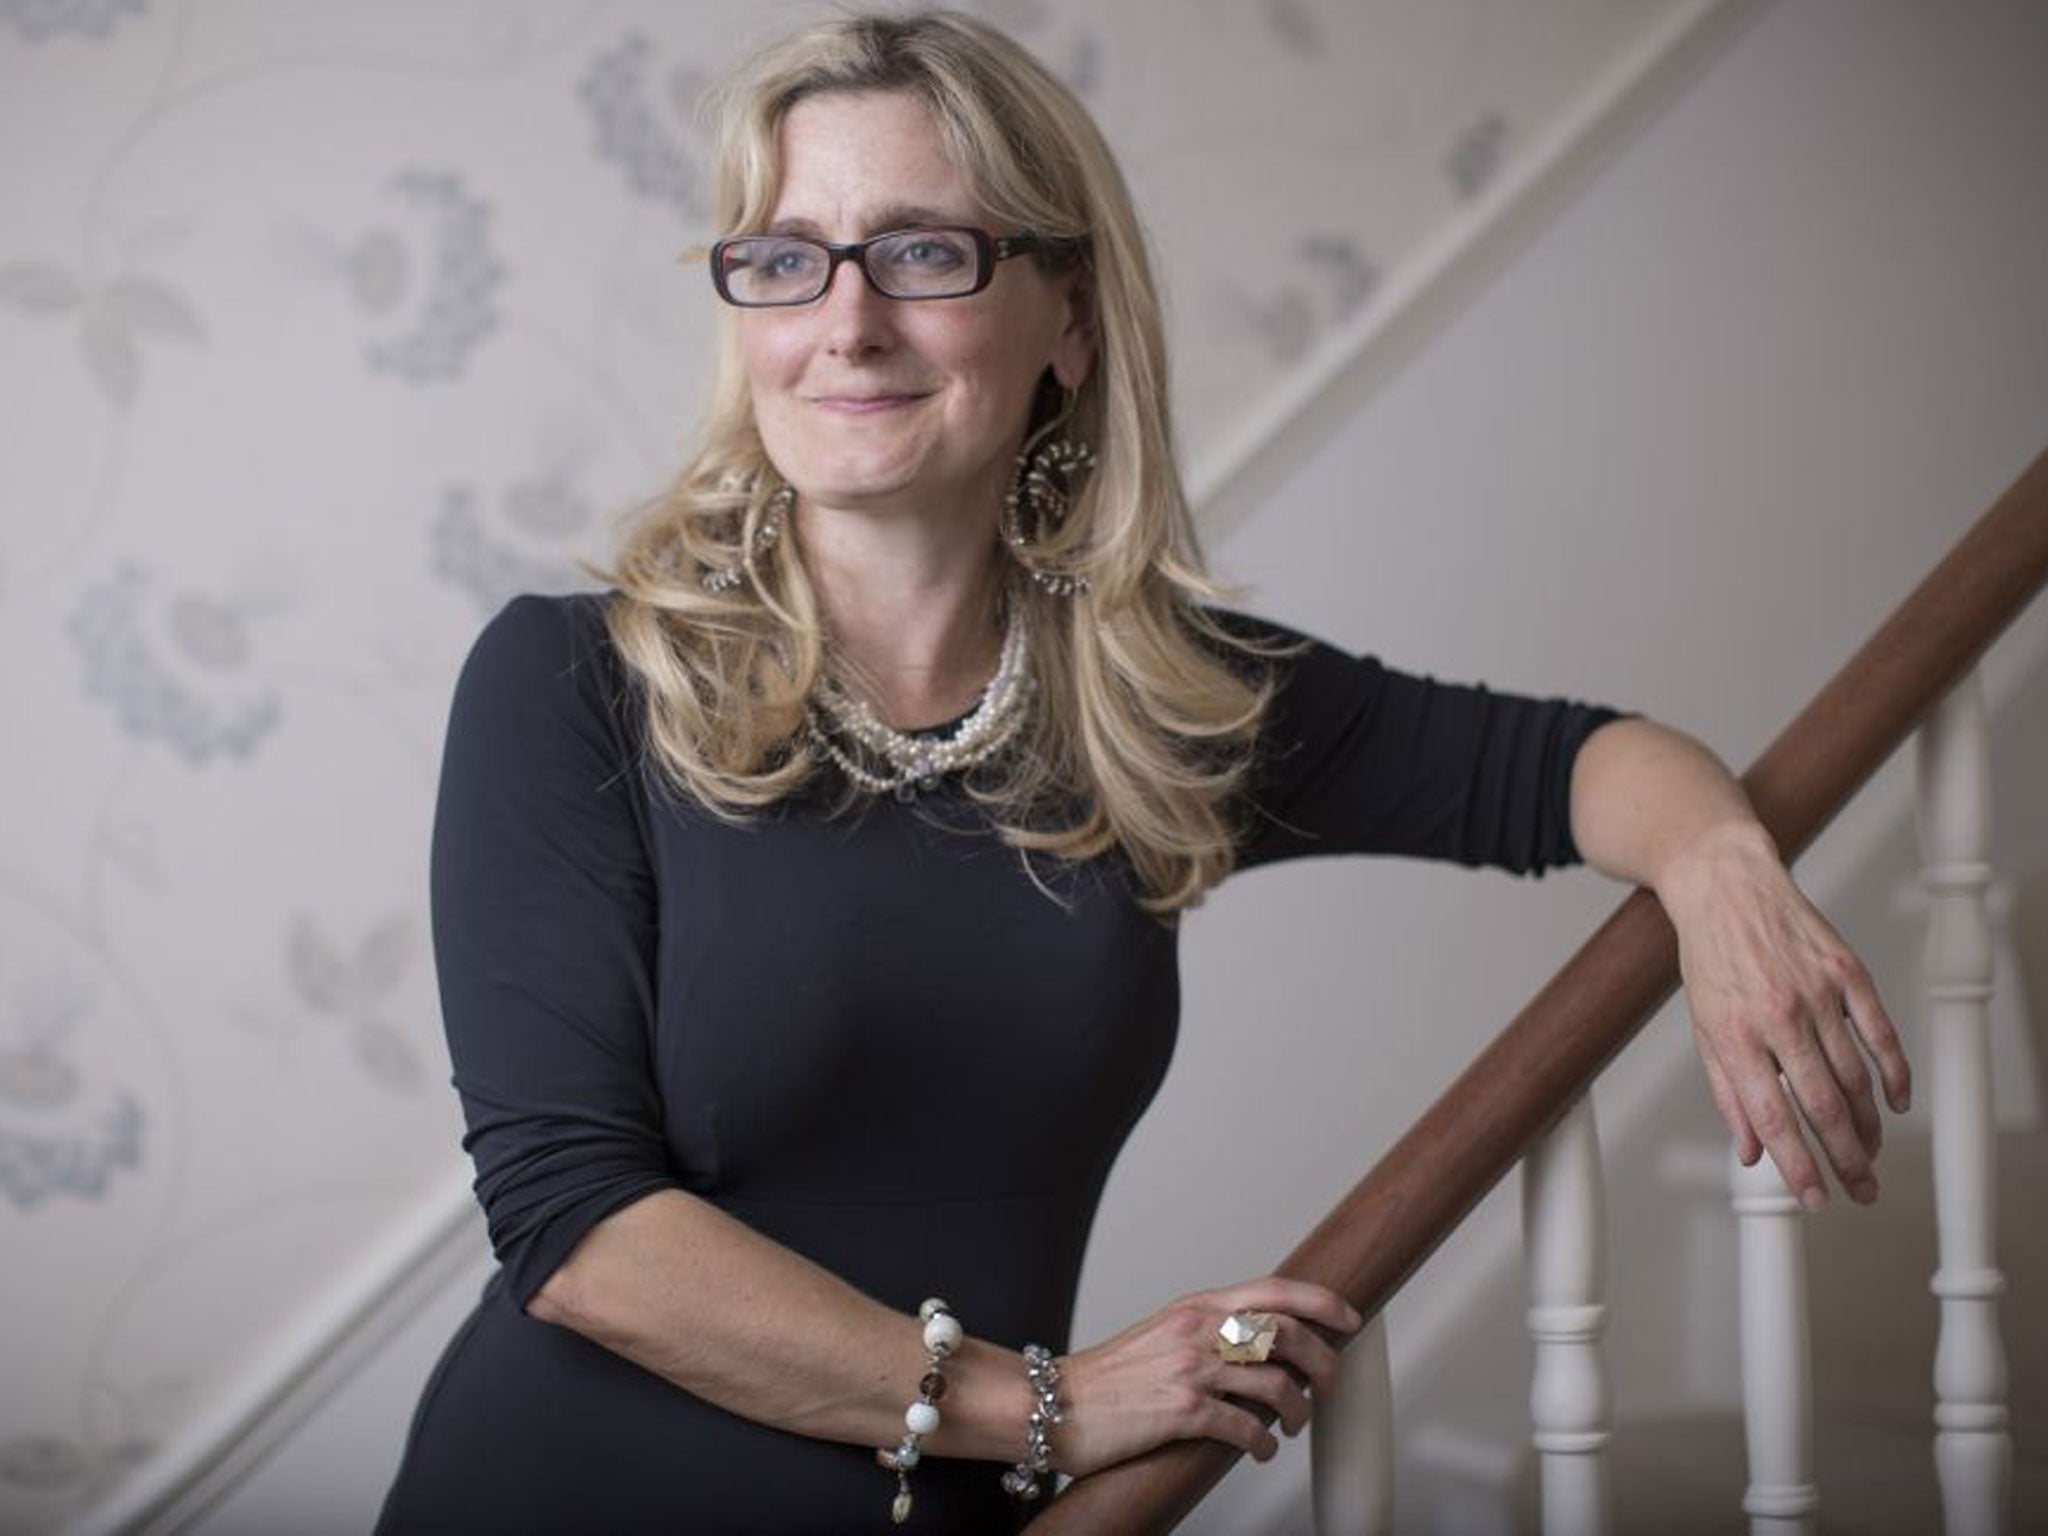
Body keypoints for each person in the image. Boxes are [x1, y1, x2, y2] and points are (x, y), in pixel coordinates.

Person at [375, 12, 1912, 1534]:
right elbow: (580, 1235)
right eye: (786, 258)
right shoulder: (574, 682)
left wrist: (1721, 877)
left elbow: (1571, 766)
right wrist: (1050, 1406)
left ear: (1070, 320)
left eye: (921, 251)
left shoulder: (1159, 704)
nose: (845, 324)